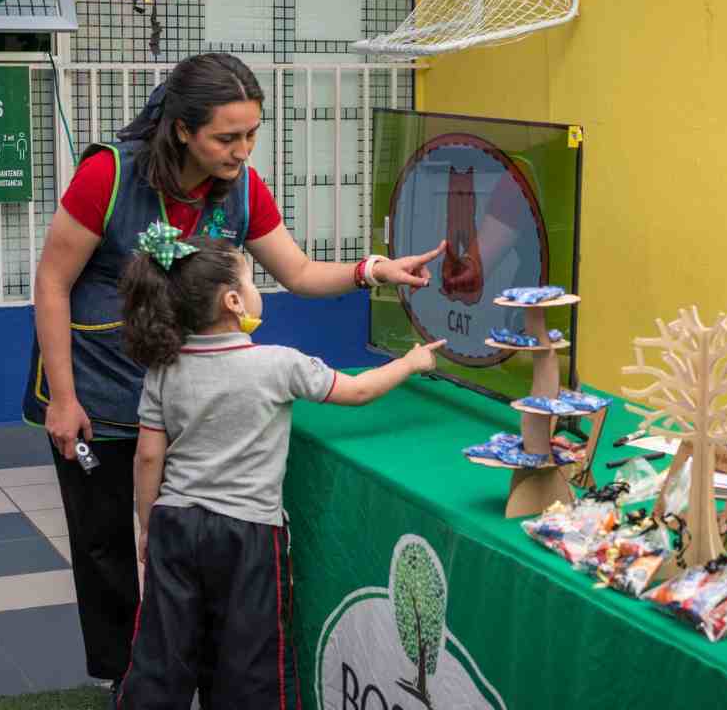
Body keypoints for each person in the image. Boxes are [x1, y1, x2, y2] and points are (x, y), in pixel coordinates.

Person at [22, 52, 445, 701]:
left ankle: (194, 678)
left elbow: (298, 273)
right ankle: (122, 679)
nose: (243, 150)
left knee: (175, 558)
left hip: (176, 390)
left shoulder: (241, 186)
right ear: (183, 129)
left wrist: (371, 271)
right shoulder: (108, 174)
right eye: (228, 136)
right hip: (97, 391)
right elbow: (52, 282)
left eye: (251, 134)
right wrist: (65, 399)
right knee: (108, 552)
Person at [114, 231, 445, 708]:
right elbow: (359, 391)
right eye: (252, 281)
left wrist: (148, 525)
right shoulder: (279, 365)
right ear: (232, 301)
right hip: (248, 535)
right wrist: (411, 362)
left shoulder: (164, 370)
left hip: (176, 523)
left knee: (164, 652)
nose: (257, 292)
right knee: (250, 659)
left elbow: (148, 456)